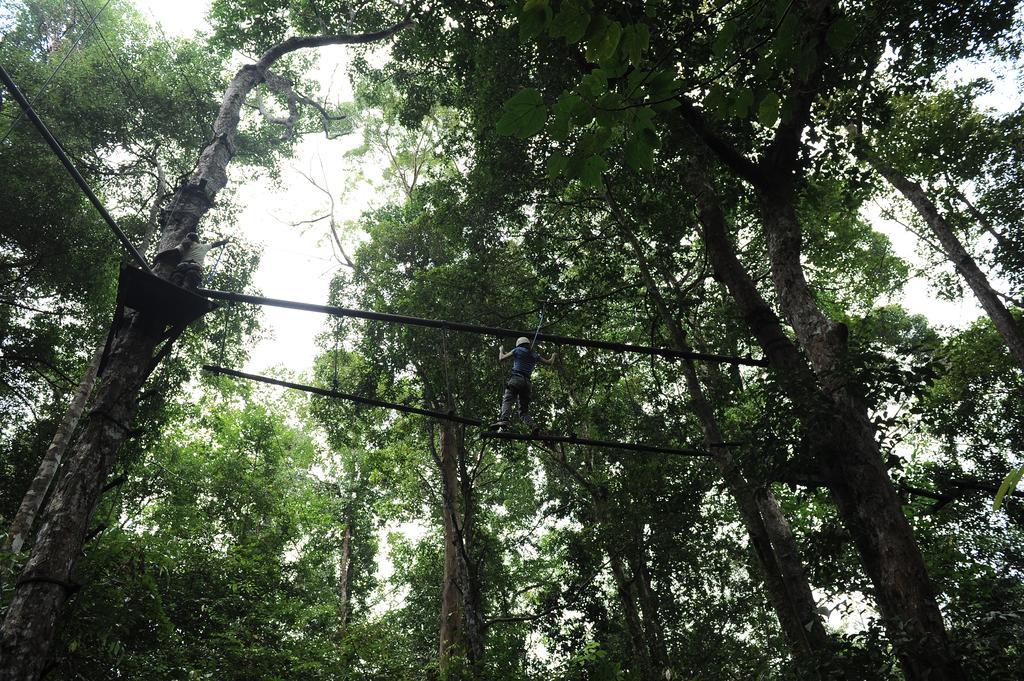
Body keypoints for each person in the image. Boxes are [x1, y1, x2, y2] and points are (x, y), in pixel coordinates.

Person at [490, 336, 557, 431]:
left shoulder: (517, 350)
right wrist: (553, 355)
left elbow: (501, 358)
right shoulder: (534, 355)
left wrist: (501, 350)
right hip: (527, 384)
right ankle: (533, 426)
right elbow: (549, 362)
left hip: (516, 379)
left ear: (519, 344)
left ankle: (504, 419)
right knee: (524, 411)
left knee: (508, 399)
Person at [155, 232, 229, 289]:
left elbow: (173, 251)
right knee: (188, 284)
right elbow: (215, 244)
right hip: (194, 268)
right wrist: (224, 241)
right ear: (197, 240)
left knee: (176, 280)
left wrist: (159, 256)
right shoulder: (203, 247)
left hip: (181, 267)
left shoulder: (184, 245)